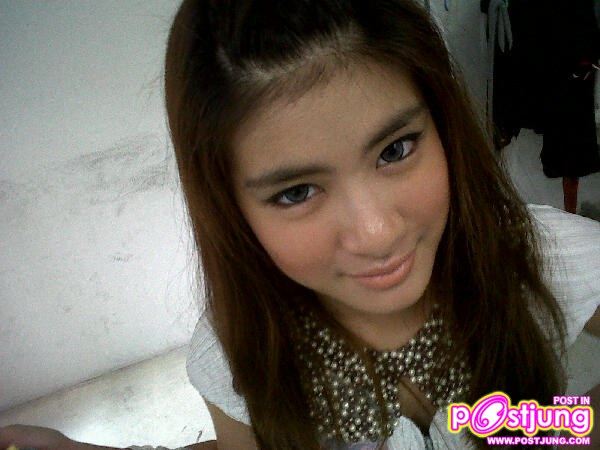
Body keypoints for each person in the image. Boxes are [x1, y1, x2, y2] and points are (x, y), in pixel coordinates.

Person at [1, 0, 599, 449]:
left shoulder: (542, 256)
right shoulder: (241, 347)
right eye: (296, 192)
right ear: (231, 208)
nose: (376, 233)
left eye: (395, 150)